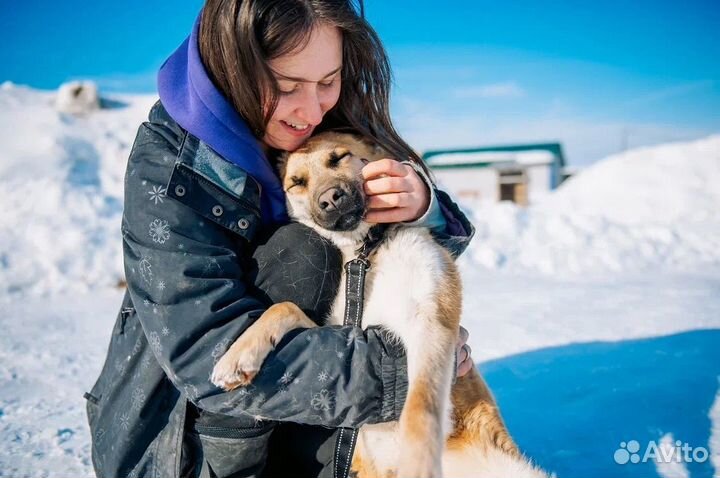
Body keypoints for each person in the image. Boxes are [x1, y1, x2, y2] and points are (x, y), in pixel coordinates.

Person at [85, 1, 476, 477]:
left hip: (327, 423)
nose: (311, 109)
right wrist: (408, 370)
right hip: (182, 445)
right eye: (287, 86)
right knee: (305, 252)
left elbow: (402, 265)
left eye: (328, 81)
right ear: (235, 67)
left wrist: (420, 206)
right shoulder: (170, 166)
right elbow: (201, 350)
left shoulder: (329, 122)